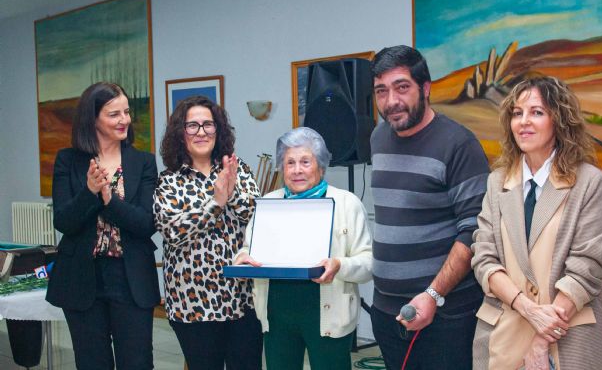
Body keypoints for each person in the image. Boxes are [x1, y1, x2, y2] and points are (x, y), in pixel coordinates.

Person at [471, 76, 602, 369]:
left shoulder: (589, 182)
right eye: (517, 113)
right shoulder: (497, 182)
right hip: (504, 334)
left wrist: (541, 340)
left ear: (559, 120)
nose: (524, 122)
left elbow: (587, 268)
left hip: (566, 337)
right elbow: (484, 259)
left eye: (537, 112)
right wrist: (527, 308)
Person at [369, 45, 489, 369]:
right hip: (386, 312)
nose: (391, 101)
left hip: (445, 314)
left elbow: (474, 232)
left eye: (402, 87)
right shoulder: (378, 137)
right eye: (382, 91)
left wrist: (433, 295)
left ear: (425, 88)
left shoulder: (459, 144)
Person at [235, 127, 373, 370]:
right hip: (277, 315)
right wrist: (243, 258)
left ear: (320, 166)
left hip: (328, 315)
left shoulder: (347, 204)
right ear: (282, 168)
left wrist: (339, 265)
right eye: (290, 162)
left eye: (305, 162)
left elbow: (368, 262)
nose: (297, 170)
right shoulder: (268, 203)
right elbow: (248, 249)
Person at [46, 82, 159, 370]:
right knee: (91, 362)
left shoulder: (143, 162)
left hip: (130, 277)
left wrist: (109, 200)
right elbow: (64, 222)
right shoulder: (68, 161)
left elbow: (146, 223)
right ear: (92, 118)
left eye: (127, 112)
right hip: (82, 279)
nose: (125, 120)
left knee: (137, 362)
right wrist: (89, 192)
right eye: (114, 114)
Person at [153, 95, 262, 370]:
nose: (201, 132)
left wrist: (231, 190)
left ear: (218, 129)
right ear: (181, 133)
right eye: (192, 126)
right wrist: (215, 203)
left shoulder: (238, 170)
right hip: (193, 303)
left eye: (208, 125)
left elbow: (259, 219)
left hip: (242, 299)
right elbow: (173, 231)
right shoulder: (169, 180)